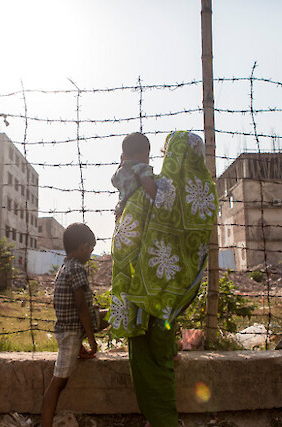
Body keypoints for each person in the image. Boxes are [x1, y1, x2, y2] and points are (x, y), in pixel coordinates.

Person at [108, 131, 218, 426]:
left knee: (148, 340)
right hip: (164, 282)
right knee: (160, 331)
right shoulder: (196, 190)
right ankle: (164, 416)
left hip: (141, 283)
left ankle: (161, 417)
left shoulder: (148, 185)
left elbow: (128, 234)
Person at [41, 223, 107, 427]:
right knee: (58, 382)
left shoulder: (66, 266)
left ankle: (79, 348)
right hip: (71, 331)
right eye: (91, 249)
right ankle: (45, 424)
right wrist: (92, 338)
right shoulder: (77, 269)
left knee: (114, 313)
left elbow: (80, 304)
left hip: (69, 327)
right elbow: (80, 307)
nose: (90, 254)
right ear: (82, 247)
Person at [111, 132, 158, 221]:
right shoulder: (142, 167)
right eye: (147, 155)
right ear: (144, 154)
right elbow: (146, 181)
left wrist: (121, 164)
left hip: (121, 212)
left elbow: (114, 181)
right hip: (137, 211)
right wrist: (158, 198)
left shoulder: (120, 172)